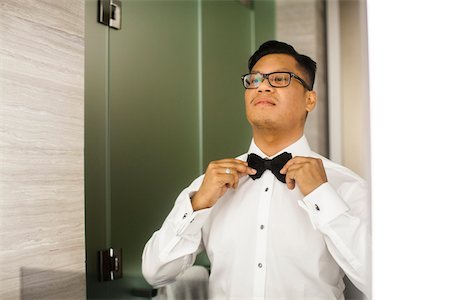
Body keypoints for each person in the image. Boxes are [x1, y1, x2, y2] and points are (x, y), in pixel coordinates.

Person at [142, 40, 370, 300]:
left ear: (310, 99)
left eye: (280, 79)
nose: (262, 86)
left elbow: (379, 280)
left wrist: (322, 197)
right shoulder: (209, 186)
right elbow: (155, 273)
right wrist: (198, 204)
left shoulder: (345, 185)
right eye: (254, 80)